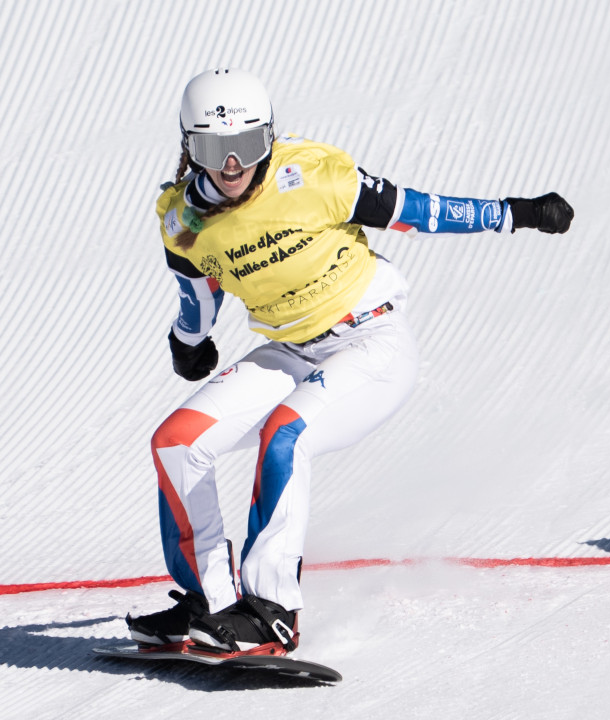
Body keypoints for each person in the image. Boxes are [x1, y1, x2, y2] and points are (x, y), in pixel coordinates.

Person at [126, 68, 574, 655]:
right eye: (215, 149)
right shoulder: (181, 220)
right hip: (288, 348)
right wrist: (188, 342)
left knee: (284, 435)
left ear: (269, 138)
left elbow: (421, 210)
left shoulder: (312, 175)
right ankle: (207, 602)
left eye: (247, 147)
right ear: (189, 147)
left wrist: (517, 212)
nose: (232, 166)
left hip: (371, 342)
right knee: (177, 441)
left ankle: (271, 611)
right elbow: (198, 296)